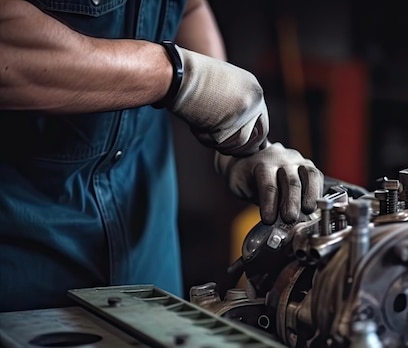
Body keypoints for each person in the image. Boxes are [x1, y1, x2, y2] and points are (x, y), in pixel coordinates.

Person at [0, 0, 324, 312]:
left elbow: (190, 8)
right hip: (25, 253)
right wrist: (180, 77)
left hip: (145, 233)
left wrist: (234, 137)